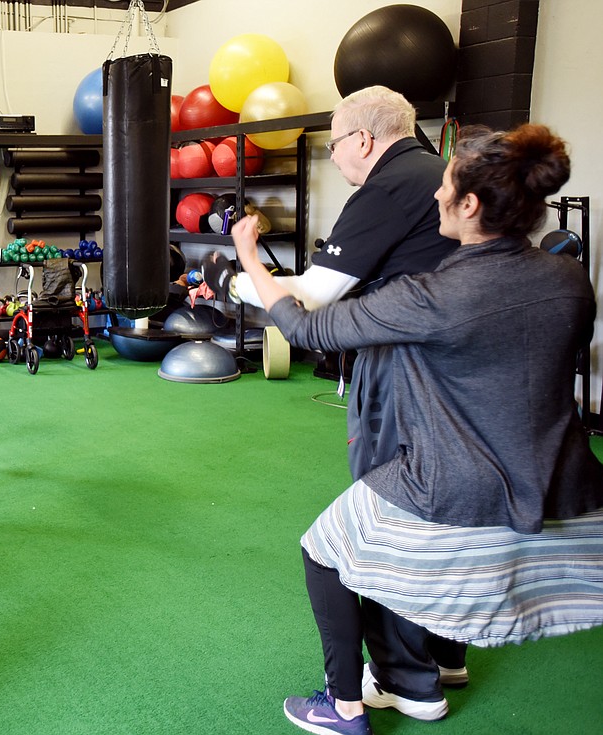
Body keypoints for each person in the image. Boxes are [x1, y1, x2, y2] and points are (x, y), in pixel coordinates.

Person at [231, 123, 603, 735]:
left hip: (456, 488)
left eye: (447, 185)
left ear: (470, 205)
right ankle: (446, 662)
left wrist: (248, 258)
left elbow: (303, 330)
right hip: (561, 482)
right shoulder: (567, 278)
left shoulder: (432, 296)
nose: (434, 195)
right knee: (409, 548)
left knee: (325, 552)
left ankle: (343, 707)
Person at [204, 85, 469, 703]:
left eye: (335, 142)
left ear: (364, 139)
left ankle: (407, 680)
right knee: (435, 512)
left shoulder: (387, 186)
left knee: (387, 517)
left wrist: (237, 279)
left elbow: (312, 301)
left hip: (406, 374)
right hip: (458, 373)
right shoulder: (443, 174)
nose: (336, 156)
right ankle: (446, 655)